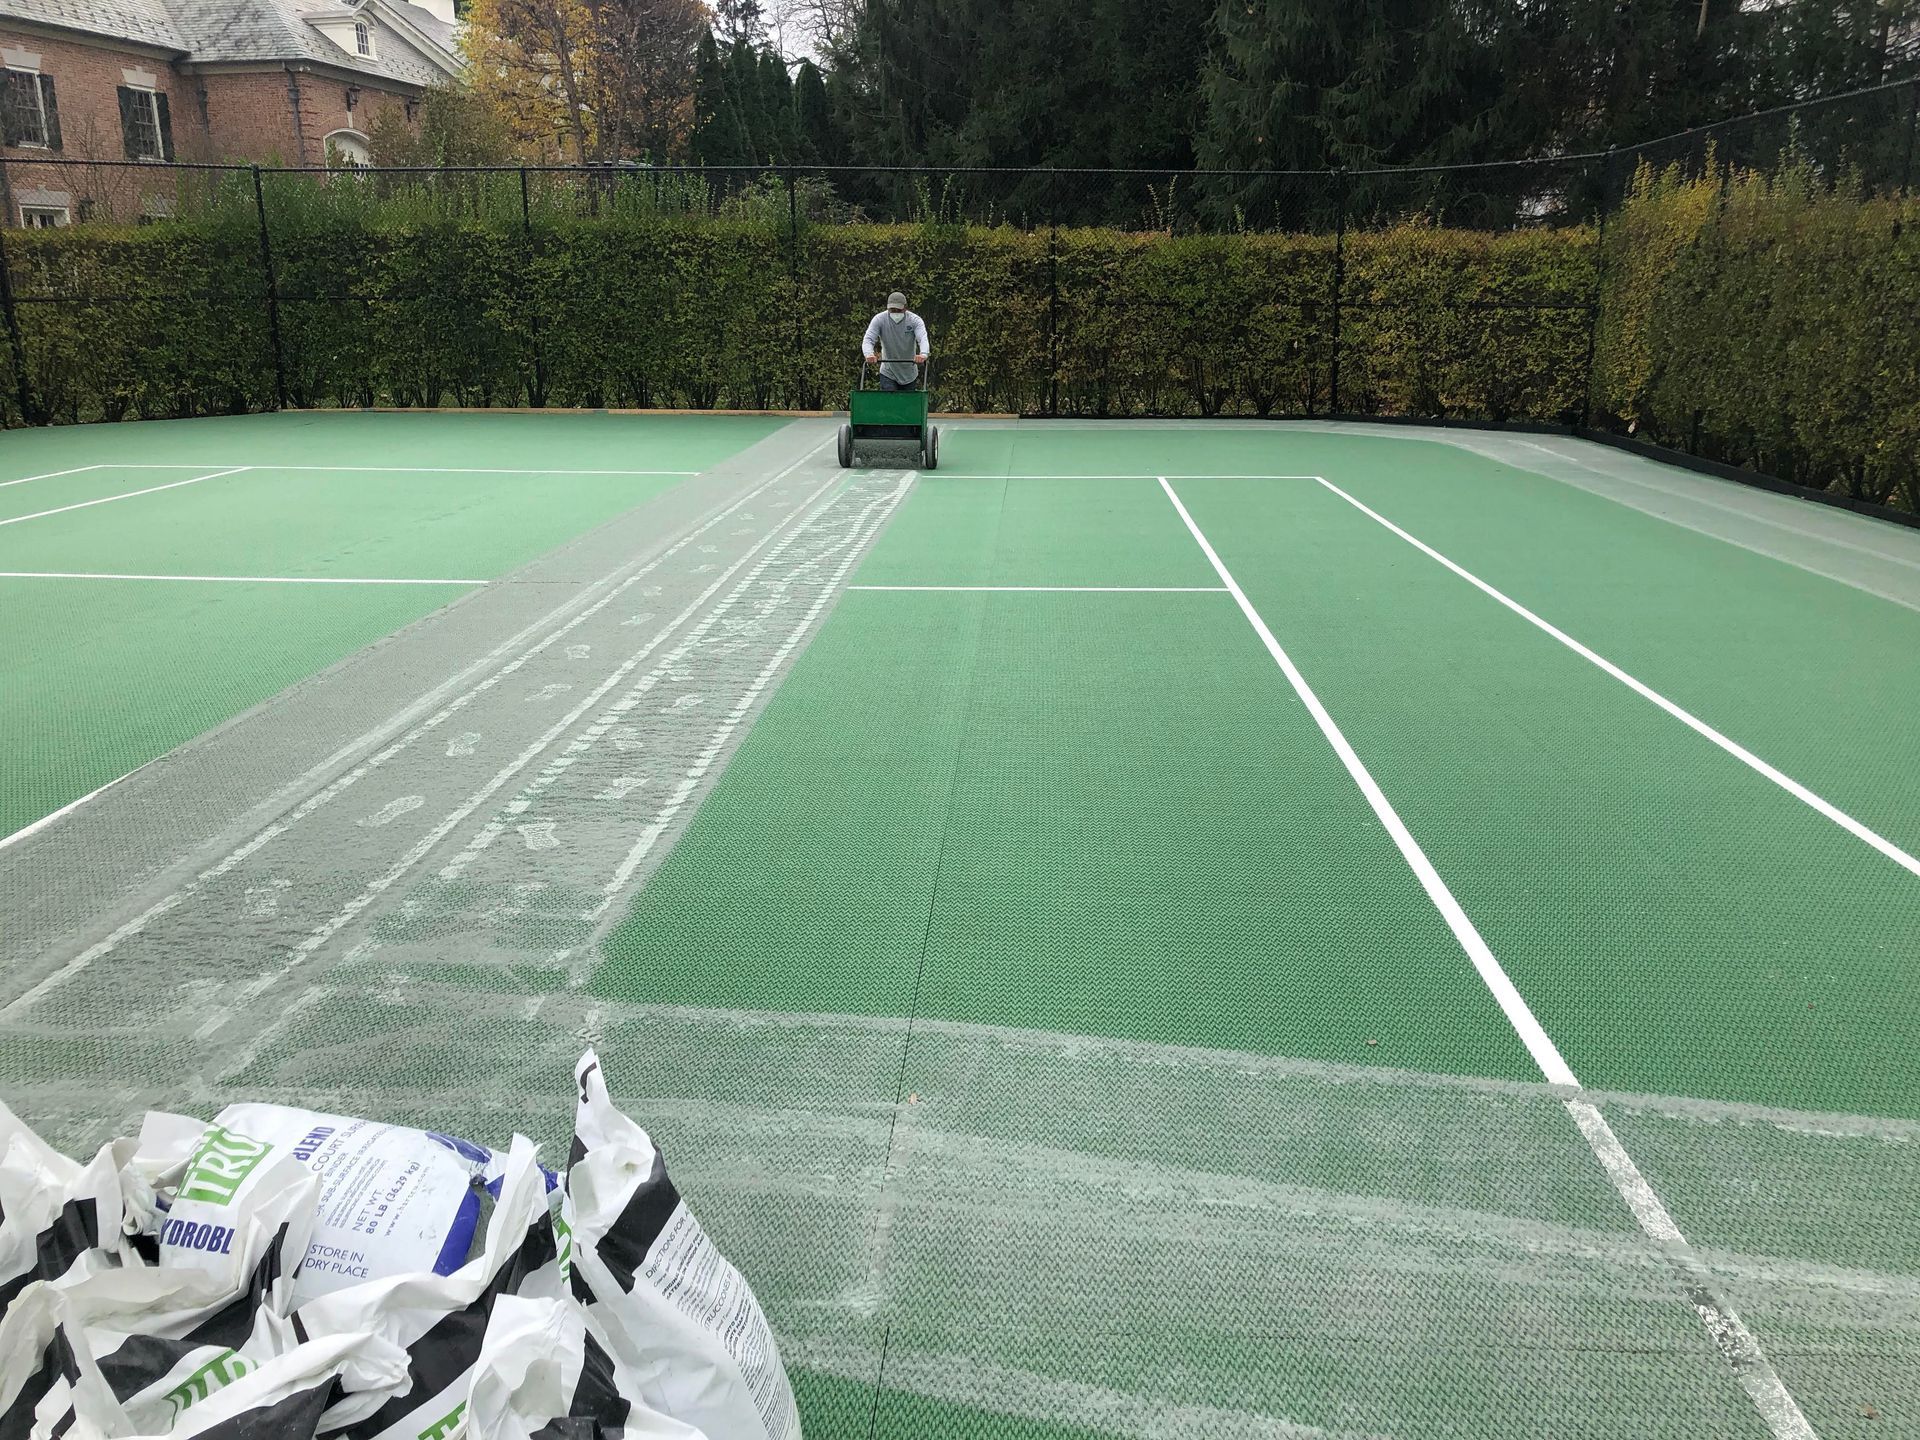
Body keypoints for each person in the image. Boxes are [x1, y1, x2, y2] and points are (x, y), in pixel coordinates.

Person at [862, 292, 930, 392]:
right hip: (888, 372)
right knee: (889, 405)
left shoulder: (915, 320)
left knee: (907, 406)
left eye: (898, 310)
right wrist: (869, 354)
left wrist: (923, 354)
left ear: (905, 308)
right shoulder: (879, 319)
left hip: (909, 374)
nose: (895, 312)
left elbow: (923, 338)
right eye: (892, 310)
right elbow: (868, 339)